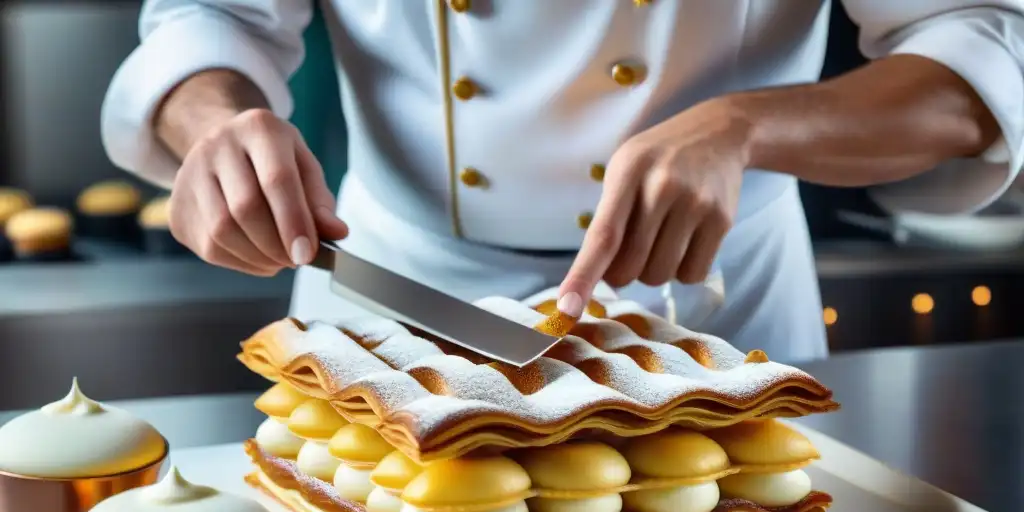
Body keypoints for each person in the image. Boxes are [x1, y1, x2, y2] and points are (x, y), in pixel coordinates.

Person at [102, 1, 1023, 361]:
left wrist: (749, 125)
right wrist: (216, 127)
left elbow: (976, 54)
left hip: (716, 310)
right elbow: (209, 19)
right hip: (393, 302)